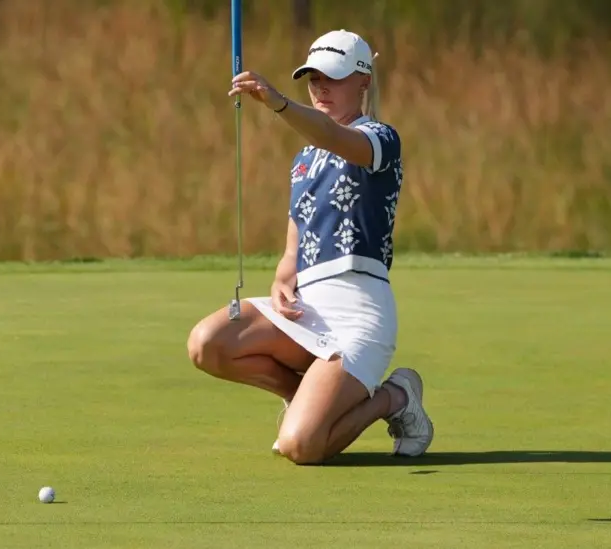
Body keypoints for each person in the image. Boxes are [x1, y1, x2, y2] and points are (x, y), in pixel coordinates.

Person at [186, 29, 434, 465]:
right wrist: (284, 277)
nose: (320, 88)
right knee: (206, 344)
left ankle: (395, 397)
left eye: (332, 78)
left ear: (363, 81)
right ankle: (303, 397)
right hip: (307, 314)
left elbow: (332, 137)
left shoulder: (380, 139)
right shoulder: (303, 159)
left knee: (301, 447)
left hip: (359, 317)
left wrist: (279, 102)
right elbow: (294, 243)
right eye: (313, 78)